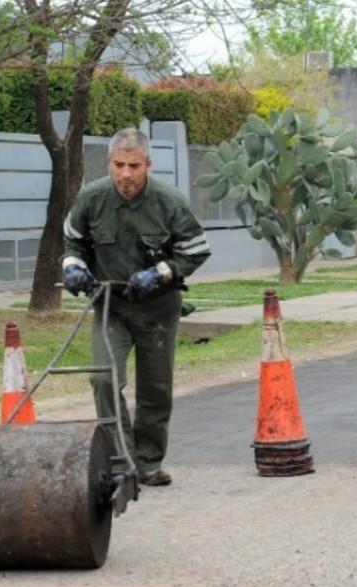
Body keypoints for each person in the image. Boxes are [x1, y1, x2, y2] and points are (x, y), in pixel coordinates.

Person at [61, 128, 211, 486]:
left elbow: (195, 250)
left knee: (155, 389)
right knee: (103, 378)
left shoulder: (169, 201)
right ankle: (119, 462)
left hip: (158, 310)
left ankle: (147, 463)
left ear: (148, 164)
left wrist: (161, 273)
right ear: (108, 163)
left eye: (134, 165)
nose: (125, 174)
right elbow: (73, 241)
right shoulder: (91, 198)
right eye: (118, 165)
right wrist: (73, 268)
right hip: (111, 306)